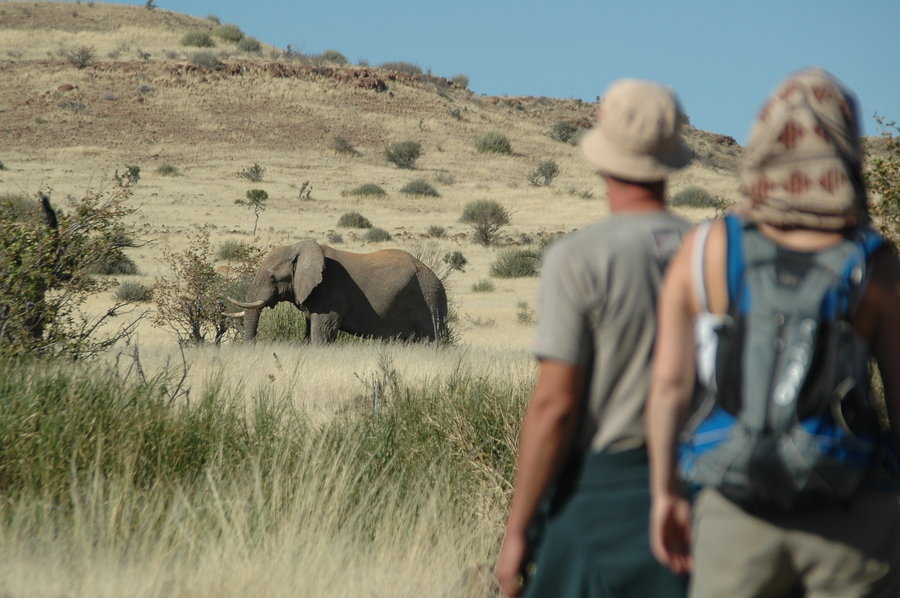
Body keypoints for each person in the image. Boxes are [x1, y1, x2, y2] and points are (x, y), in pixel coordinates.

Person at [647, 67, 900, 597]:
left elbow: (669, 387)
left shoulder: (706, 249)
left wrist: (666, 492)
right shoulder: (874, 262)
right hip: (851, 511)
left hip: (735, 507)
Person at [495, 78, 692, 598]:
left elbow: (555, 406)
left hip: (605, 493)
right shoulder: (712, 252)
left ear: (603, 159)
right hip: (704, 498)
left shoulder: (579, 258)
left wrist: (518, 530)